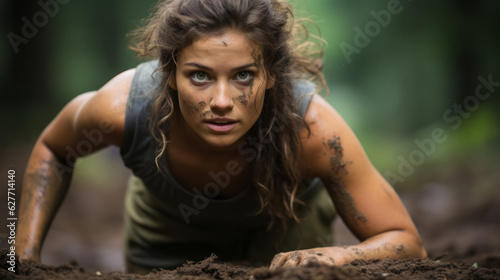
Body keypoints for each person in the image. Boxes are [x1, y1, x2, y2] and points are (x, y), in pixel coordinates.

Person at [17, 0, 427, 274]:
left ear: (269, 76)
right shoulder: (123, 106)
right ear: (170, 75)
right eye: (200, 75)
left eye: (243, 75)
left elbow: (405, 241)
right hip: (165, 240)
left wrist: (334, 257)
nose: (221, 101)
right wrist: (22, 259)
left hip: (284, 245)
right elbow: (54, 148)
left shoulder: (313, 129)